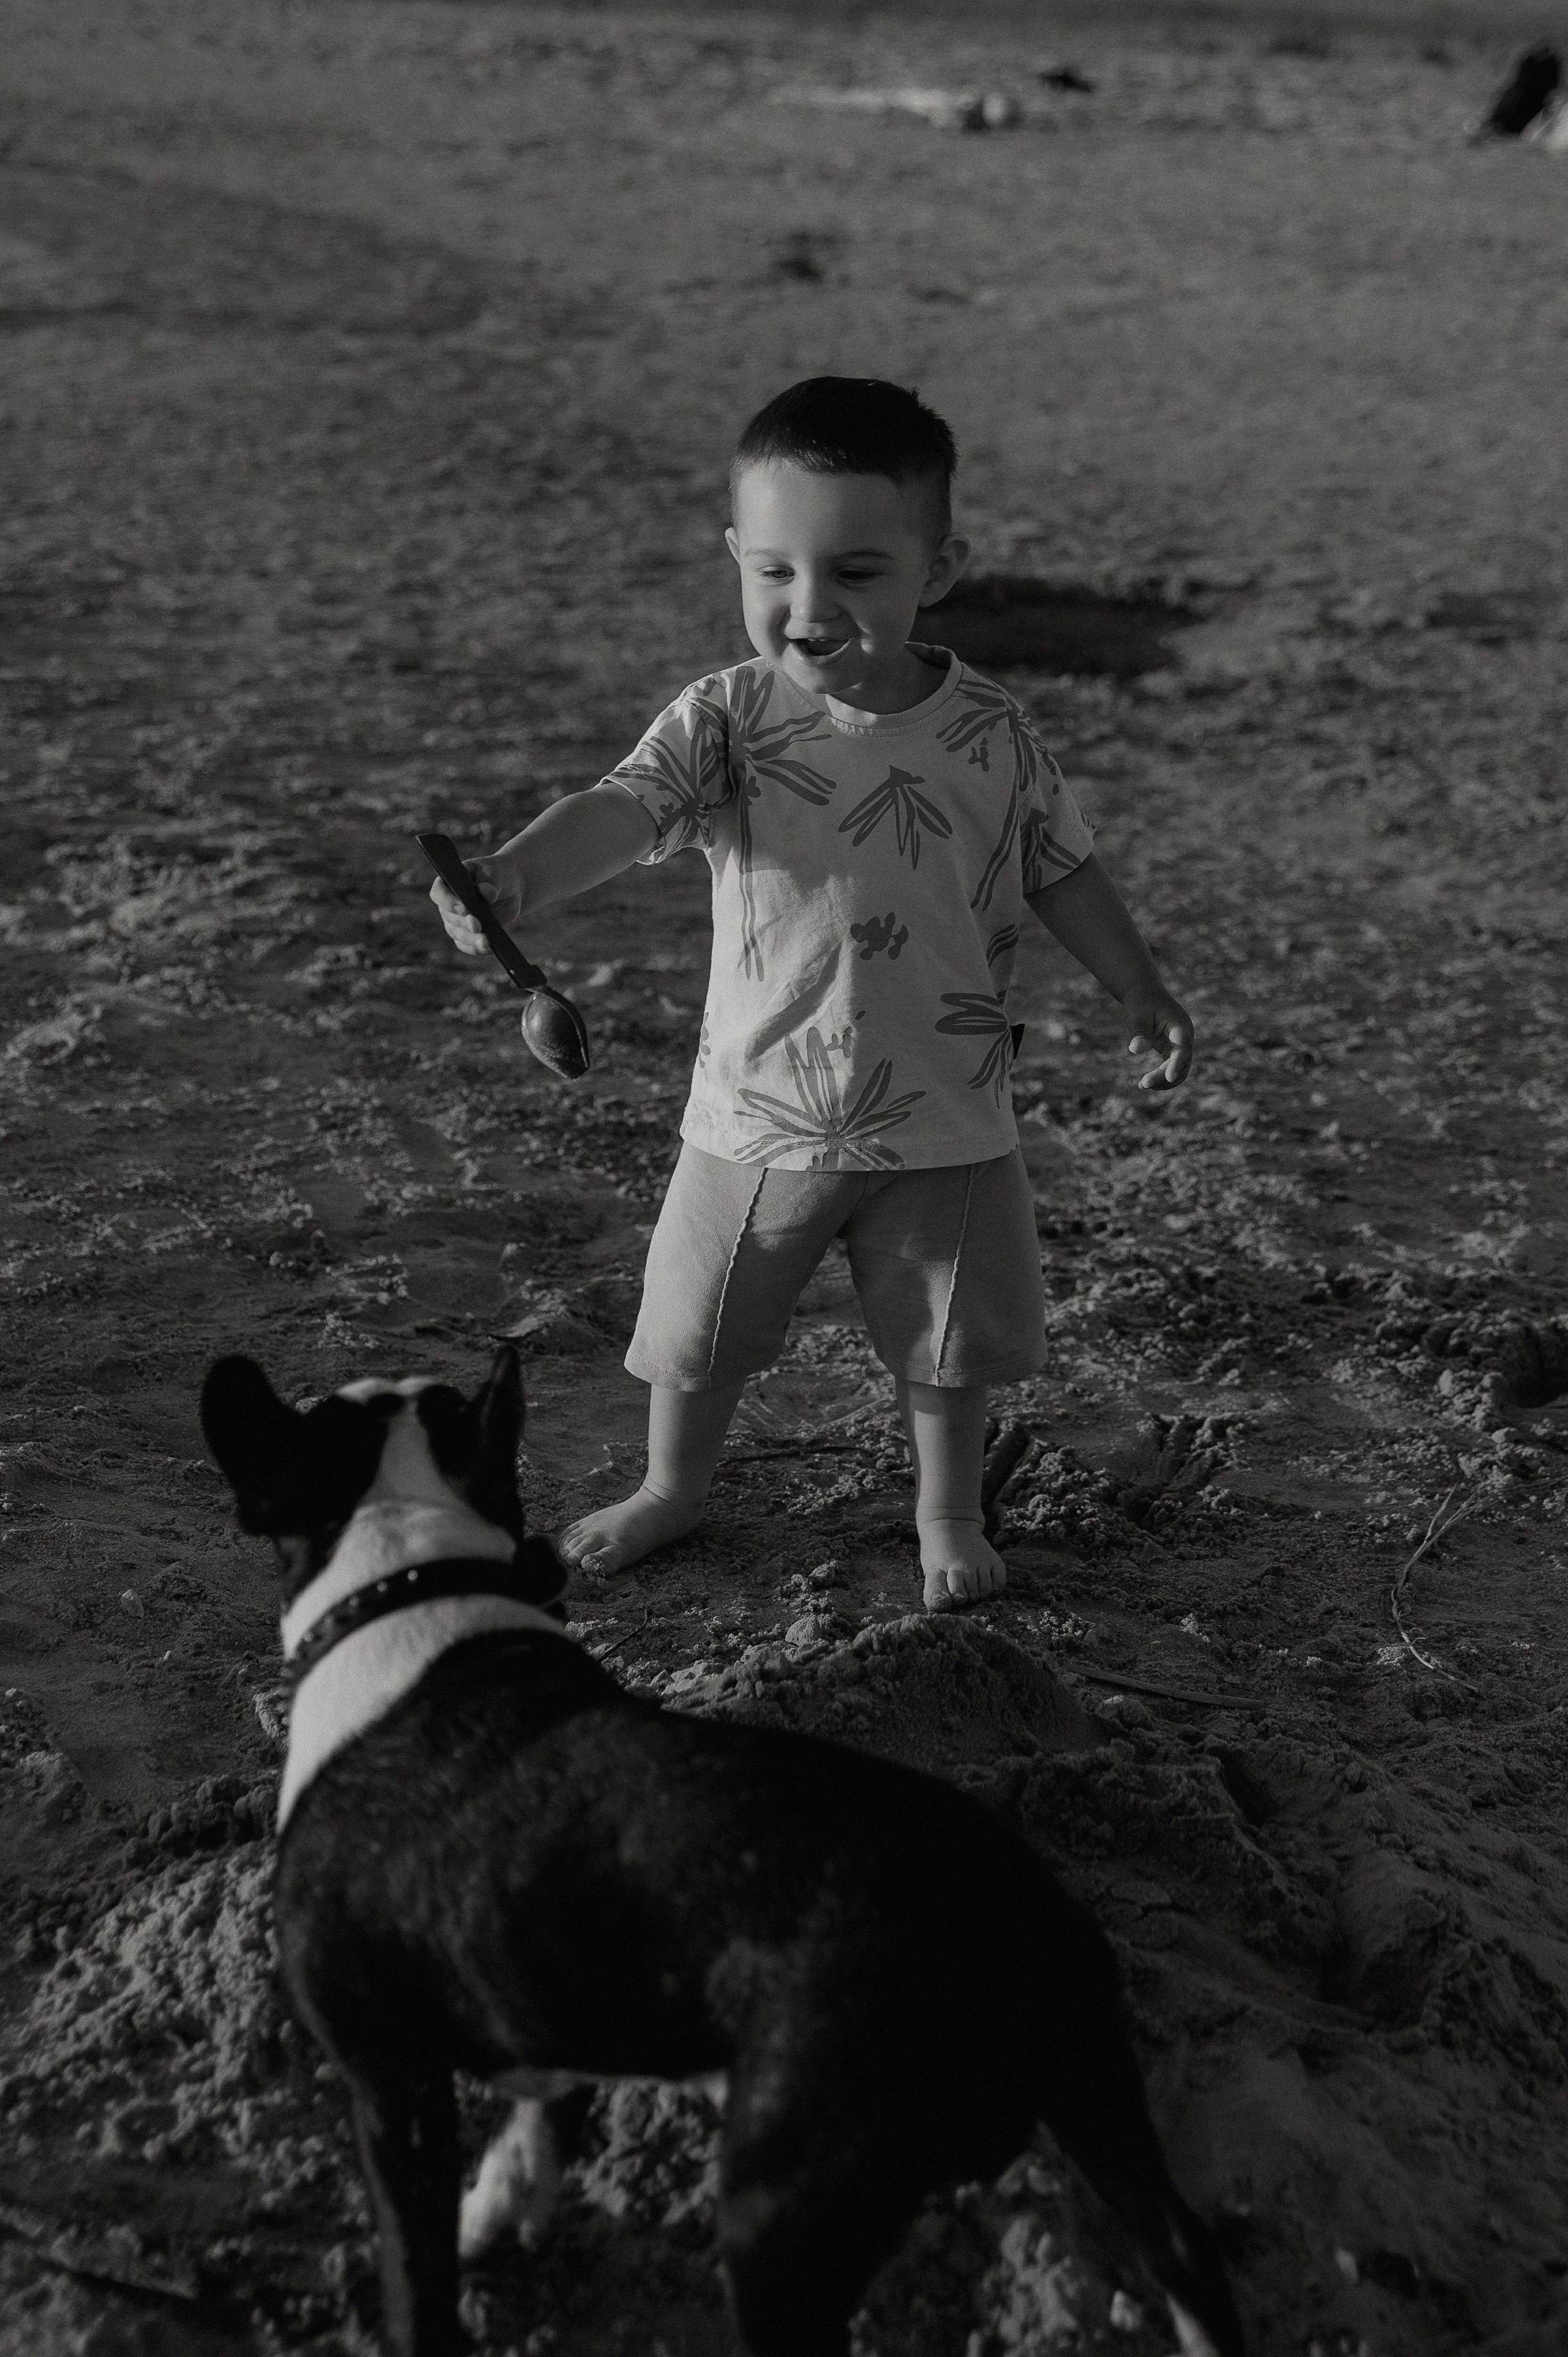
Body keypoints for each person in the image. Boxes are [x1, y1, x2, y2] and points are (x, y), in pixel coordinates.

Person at [431, 377, 1193, 1610]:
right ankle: (672, 1485)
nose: (809, 607)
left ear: (937, 569)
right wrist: (518, 876)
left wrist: (1138, 987)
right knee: (700, 1327)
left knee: (948, 1343)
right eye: (775, 572)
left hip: (945, 1106)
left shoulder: (991, 733)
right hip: (760, 1109)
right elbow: (621, 813)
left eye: (856, 572)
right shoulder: (726, 720)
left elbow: (1064, 867)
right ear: (735, 555)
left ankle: (944, 1509)